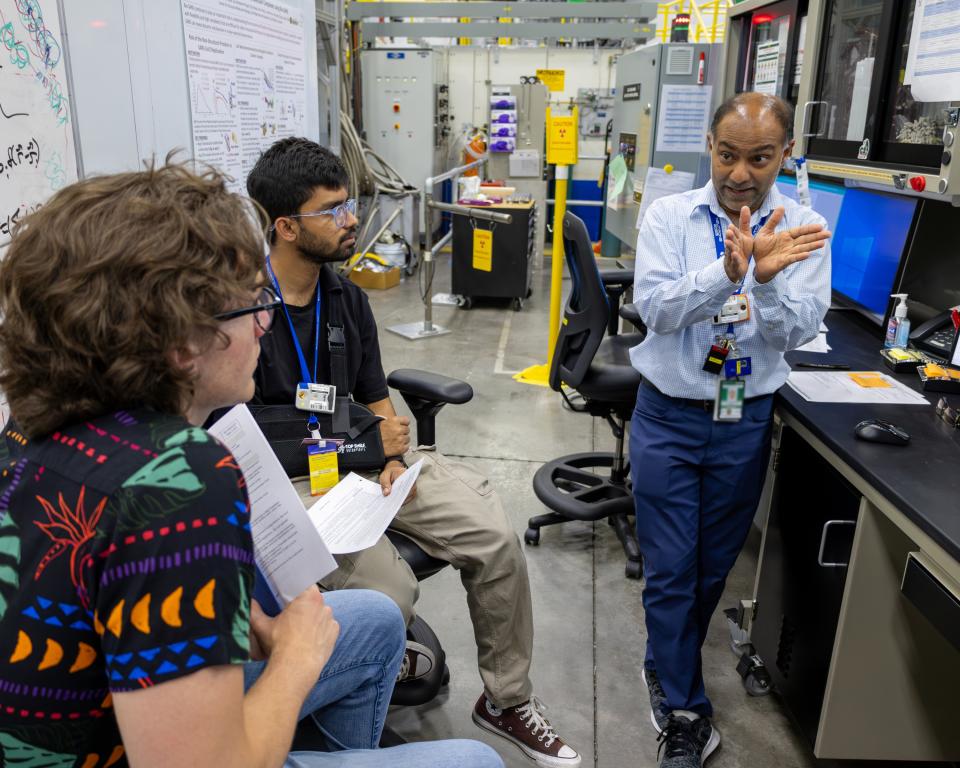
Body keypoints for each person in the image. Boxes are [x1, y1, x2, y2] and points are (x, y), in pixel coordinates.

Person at [0, 162, 503, 768]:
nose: (266, 320)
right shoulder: (180, 480)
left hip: (107, 714)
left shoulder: (31, 427)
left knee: (373, 617)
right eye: (250, 306)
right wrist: (294, 658)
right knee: (475, 762)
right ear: (181, 341)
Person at [246, 137, 580, 768]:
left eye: (350, 205)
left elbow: (374, 395)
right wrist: (363, 443)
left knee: (494, 538)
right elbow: (254, 436)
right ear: (286, 227)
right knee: (388, 592)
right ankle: (358, 705)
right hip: (298, 481)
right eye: (333, 211)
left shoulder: (345, 298)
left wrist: (394, 458)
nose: (351, 221)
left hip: (366, 464)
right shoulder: (243, 311)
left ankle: (505, 700)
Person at [628, 93, 831, 767]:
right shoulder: (668, 216)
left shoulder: (801, 228)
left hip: (741, 418)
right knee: (670, 569)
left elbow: (798, 330)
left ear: (784, 155)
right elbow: (654, 308)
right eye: (727, 154)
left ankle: (667, 655)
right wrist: (729, 271)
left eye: (760, 157)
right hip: (668, 415)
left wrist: (767, 282)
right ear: (709, 147)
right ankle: (685, 708)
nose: (741, 172)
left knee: (712, 567)